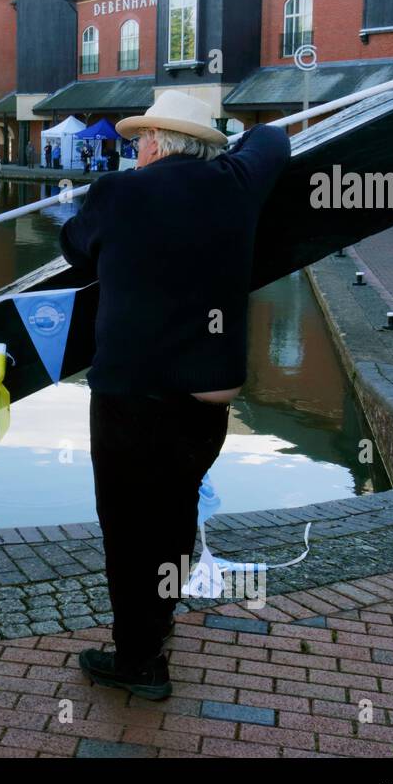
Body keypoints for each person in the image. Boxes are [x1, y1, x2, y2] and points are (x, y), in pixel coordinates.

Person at [59, 91, 290, 700]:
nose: (135, 153)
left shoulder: (117, 194)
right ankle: (155, 630)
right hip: (204, 405)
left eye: (139, 144)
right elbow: (273, 138)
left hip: (130, 398)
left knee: (127, 530)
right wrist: (227, 150)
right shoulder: (237, 183)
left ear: (156, 142)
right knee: (173, 522)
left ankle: (138, 661)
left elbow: (73, 246)